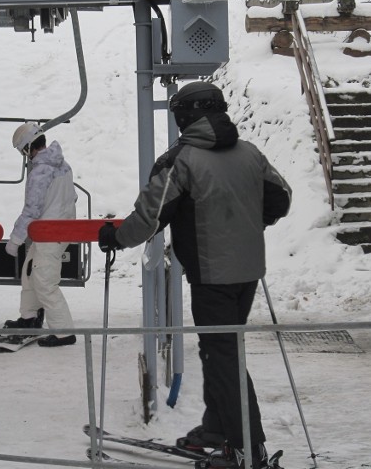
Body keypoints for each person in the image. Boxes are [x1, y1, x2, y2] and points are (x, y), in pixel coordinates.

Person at [98, 81, 292, 469]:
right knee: (219, 350)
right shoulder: (250, 153)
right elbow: (281, 197)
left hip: (211, 274)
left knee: (224, 358)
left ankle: (246, 449)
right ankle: (217, 429)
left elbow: (151, 216)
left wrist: (115, 238)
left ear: (184, 118)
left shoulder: (181, 160)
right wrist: (248, 223)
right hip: (247, 272)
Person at [3, 122, 78, 347]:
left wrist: (14, 241)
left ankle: (64, 332)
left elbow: (31, 210)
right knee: (30, 273)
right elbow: (72, 197)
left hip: (49, 232)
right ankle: (29, 317)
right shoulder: (63, 165)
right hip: (57, 230)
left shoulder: (40, 172)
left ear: (27, 148)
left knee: (44, 281)